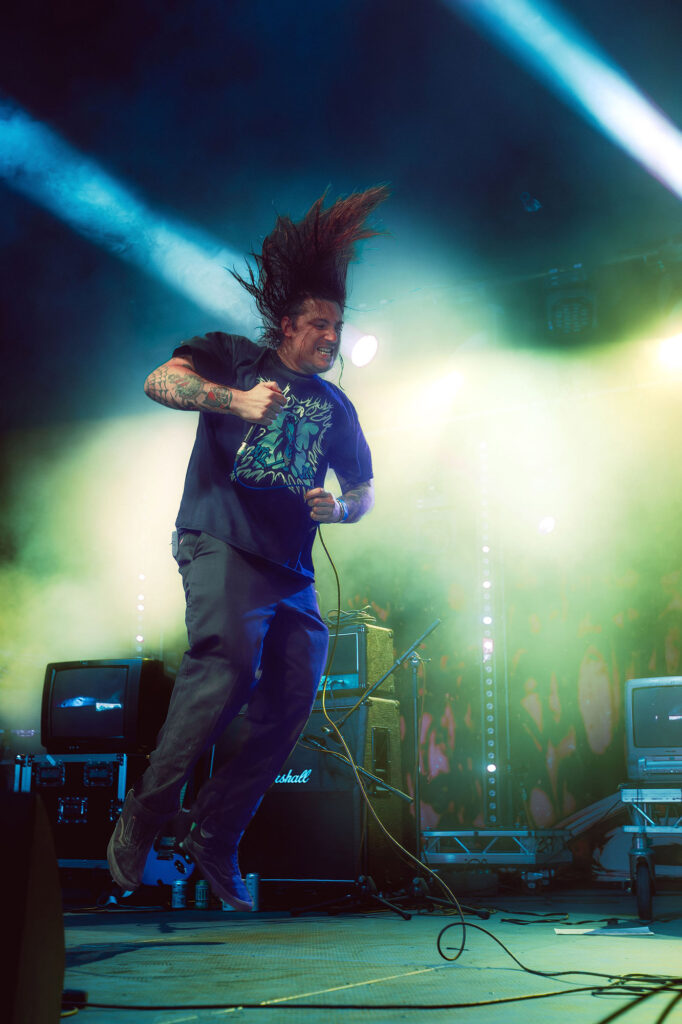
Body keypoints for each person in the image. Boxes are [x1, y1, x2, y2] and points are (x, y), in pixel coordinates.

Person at [107, 186, 388, 909]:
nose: (332, 337)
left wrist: (342, 508)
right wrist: (233, 400)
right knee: (227, 667)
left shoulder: (337, 407)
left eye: (338, 326)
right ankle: (145, 814)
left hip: (291, 571)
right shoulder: (233, 357)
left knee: (294, 698)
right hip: (220, 540)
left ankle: (216, 832)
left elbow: (365, 487)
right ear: (287, 324)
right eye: (320, 324)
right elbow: (159, 380)